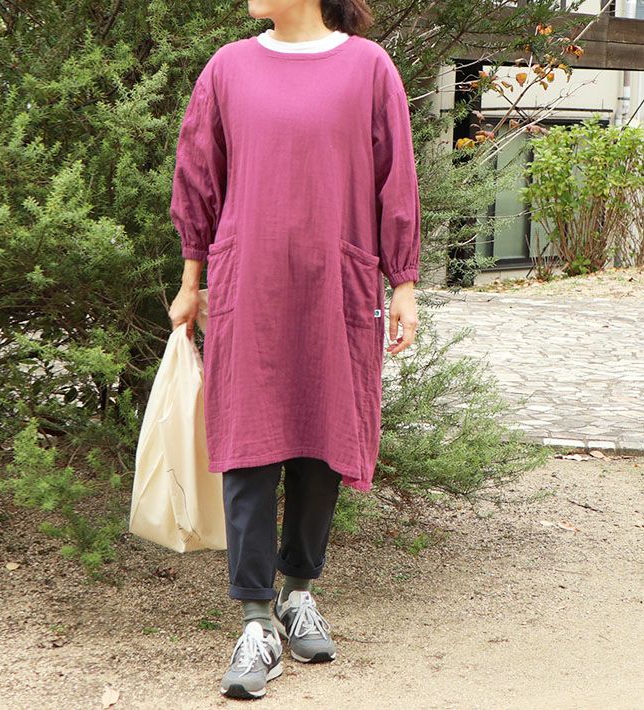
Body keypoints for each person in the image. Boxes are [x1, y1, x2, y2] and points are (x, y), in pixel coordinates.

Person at [168, 0, 421, 701]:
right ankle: (255, 620)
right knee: (248, 444)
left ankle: (298, 591)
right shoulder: (228, 68)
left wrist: (404, 283)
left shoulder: (369, 68)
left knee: (324, 440)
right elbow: (199, 175)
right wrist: (190, 283)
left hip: (336, 280)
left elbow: (396, 178)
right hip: (249, 282)